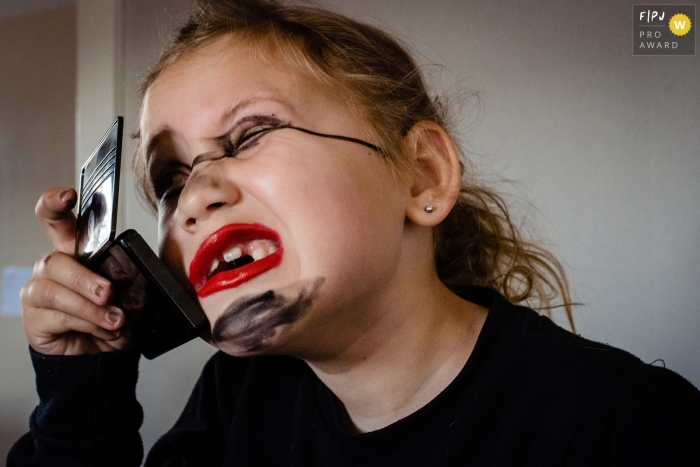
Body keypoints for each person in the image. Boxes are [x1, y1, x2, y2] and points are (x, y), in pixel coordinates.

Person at [9, 0, 700, 465]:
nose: (194, 198)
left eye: (250, 133)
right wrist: (82, 386)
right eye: (168, 180)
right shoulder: (234, 402)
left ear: (422, 177)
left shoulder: (627, 422)